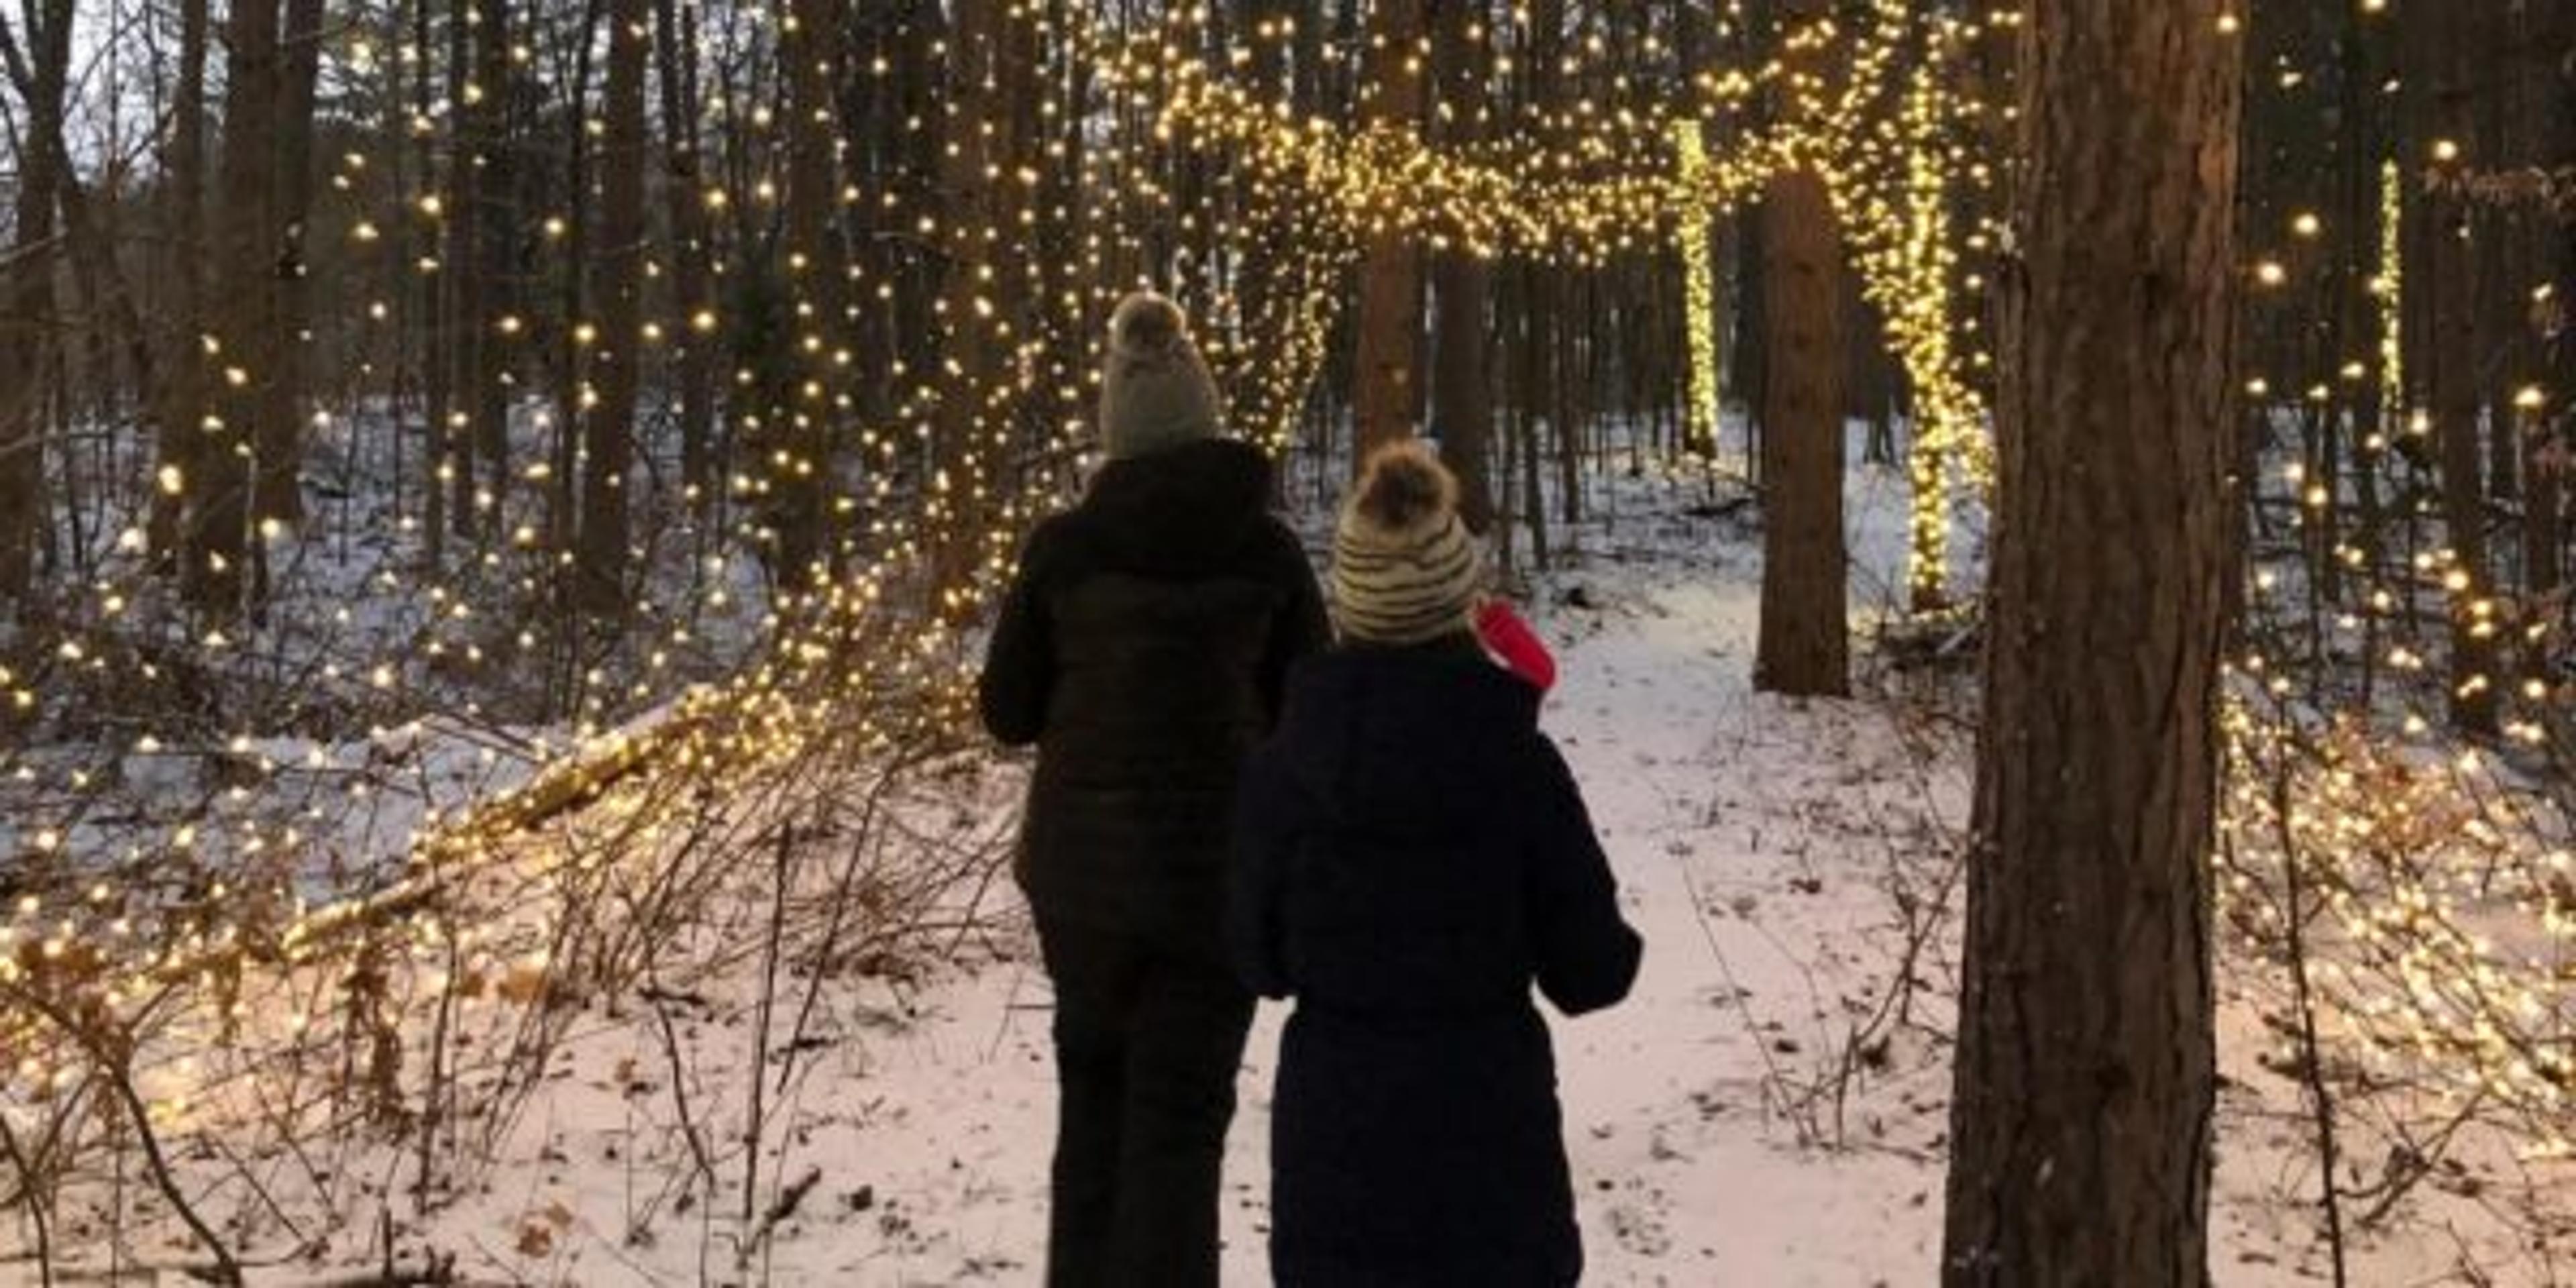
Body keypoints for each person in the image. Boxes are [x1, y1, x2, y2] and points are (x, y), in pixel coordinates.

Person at [978, 291, 1331, 1288]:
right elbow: (1309, 700)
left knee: (1089, 1116)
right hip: (1217, 885)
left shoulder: (1063, 550)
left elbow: (1007, 711)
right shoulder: (1265, 550)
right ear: (1206, 416)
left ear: (1115, 430)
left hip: (1082, 890)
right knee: (1181, 1132)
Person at [1231, 441, 1644, 1287]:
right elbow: (1594, 971)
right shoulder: (1519, 766)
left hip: (1334, 1153)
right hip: (1490, 1156)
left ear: (1348, 605)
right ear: (1461, 601)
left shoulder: (1285, 769)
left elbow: (1254, 956)